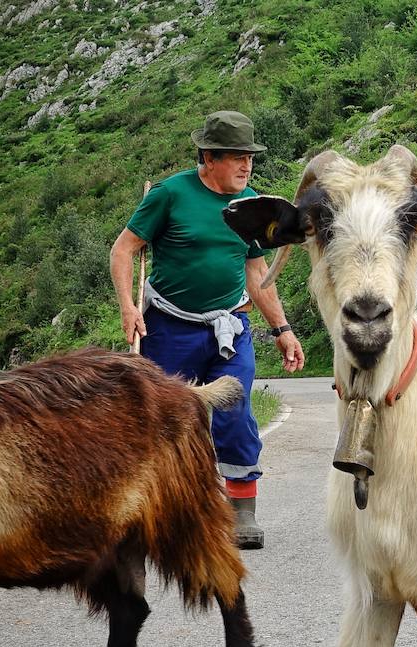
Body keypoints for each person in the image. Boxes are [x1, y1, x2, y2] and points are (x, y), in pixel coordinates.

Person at [110, 110, 304, 548]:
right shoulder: (170, 195)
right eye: (236, 156)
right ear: (208, 156)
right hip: (168, 326)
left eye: (250, 157)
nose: (246, 166)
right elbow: (124, 250)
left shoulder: (250, 205)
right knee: (163, 420)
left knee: (235, 412)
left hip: (229, 326)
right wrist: (127, 307)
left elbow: (257, 274)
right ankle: (156, 510)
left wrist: (282, 330)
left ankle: (241, 514)